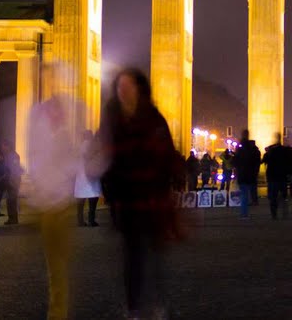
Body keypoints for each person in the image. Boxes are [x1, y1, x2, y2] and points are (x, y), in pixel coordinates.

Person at [97, 68, 183, 319]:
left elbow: (167, 155)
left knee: (155, 255)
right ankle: (135, 307)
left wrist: (173, 181)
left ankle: (157, 302)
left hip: (152, 199)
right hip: (127, 202)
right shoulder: (112, 120)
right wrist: (110, 192)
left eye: (128, 85)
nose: (123, 90)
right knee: (132, 256)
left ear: (139, 89)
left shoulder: (155, 120)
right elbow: (106, 159)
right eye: (119, 86)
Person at [28, 94, 80, 319]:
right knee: (53, 266)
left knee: (58, 266)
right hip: (48, 206)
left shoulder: (64, 138)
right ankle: (56, 310)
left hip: (60, 207)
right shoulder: (47, 137)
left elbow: (71, 167)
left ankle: (57, 313)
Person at [262, 133, 292, 219]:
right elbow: (290, 162)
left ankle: (274, 214)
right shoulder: (285, 151)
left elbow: (264, 160)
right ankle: (284, 212)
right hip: (282, 176)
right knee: (283, 196)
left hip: (272, 177)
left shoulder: (271, 151)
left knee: (273, 197)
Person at [232, 129, 261, 219]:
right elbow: (257, 162)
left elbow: (235, 161)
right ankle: (245, 211)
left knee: (244, 193)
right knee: (248, 192)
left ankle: (244, 213)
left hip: (242, 174)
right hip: (251, 174)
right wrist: (256, 172)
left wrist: (236, 172)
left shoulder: (239, 148)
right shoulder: (253, 149)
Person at [75, 129, 101, 226]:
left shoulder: (79, 146)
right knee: (93, 198)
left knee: (81, 200)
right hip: (90, 174)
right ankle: (91, 219)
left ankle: (80, 220)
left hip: (81, 175)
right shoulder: (90, 145)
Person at [2, 142, 23, 225]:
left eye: (4, 146)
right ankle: (11, 218)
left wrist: (12, 179)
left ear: (8, 146)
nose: (2, 148)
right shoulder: (8, 155)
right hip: (10, 180)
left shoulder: (14, 155)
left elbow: (15, 168)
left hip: (14, 180)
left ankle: (13, 219)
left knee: (12, 200)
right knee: (10, 200)